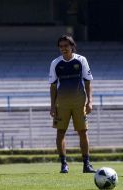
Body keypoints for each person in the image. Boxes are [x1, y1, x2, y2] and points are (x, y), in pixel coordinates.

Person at [49, 35, 96, 173]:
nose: (63, 48)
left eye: (66, 46)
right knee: (60, 132)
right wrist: (52, 106)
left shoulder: (81, 60)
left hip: (79, 102)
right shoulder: (55, 63)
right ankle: (64, 164)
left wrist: (90, 101)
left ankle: (86, 164)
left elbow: (88, 82)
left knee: (83, 132)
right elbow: (52, 86)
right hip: (62, 104)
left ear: (72, 46)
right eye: (61, 46)